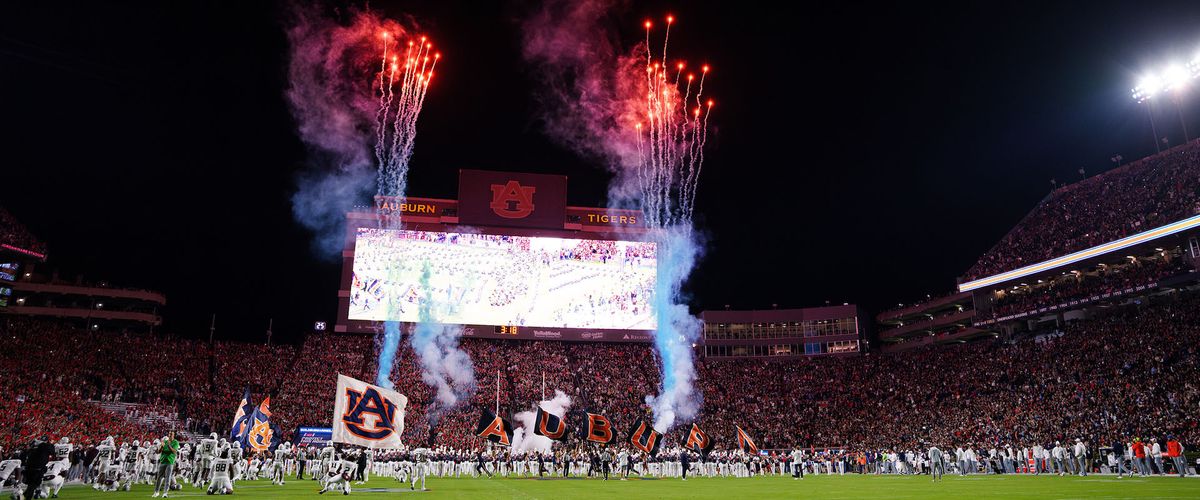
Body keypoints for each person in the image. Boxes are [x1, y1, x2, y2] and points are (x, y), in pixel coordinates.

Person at [22, 436, 56, 500]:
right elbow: (53, 452)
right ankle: (25, 497)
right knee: (34, 484)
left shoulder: (34, 444)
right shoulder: (45, 446)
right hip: (38, 468)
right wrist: (51, 444)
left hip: (29, 467)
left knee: (31, 485)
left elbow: (27, 451)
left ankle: (22, 497)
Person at [153, 431, 181, 498]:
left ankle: (165, 493)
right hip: (162, 461)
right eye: (169, 434)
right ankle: (156, 492)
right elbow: (158, 452)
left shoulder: (175, 442)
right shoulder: (165, 441)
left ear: (174, 435)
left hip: (170, 461)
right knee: (159, 477)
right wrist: (161, 447)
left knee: (168, 477)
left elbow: (174, 451)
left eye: (171, 434)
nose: (170, 435)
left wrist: (169, 445)